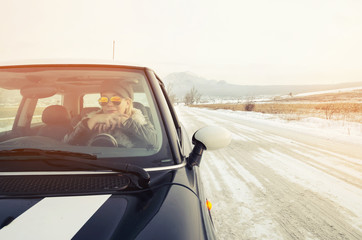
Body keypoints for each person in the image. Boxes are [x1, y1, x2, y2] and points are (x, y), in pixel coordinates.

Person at [64, 80, 157, 148]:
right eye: (104, 100)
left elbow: (155, 142)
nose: (109, 104)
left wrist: (127, 122)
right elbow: (66, 145)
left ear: (127, 103)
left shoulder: (139, 119)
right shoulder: (90, 120)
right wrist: (91, 121)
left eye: (116, 100)